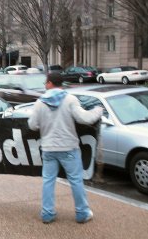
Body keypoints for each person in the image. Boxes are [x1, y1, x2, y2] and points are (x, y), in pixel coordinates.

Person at [28, 74, 103, 224]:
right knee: (76, 181)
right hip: (69, 148)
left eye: (45, 83)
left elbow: (32, 125)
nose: (45, 85)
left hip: (48, 148)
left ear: (50, 83)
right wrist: (98, 110)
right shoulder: (70, 100)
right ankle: (82, 213)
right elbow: (85, 119)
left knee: (48, 181)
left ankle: (47, 214)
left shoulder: (40, 103)